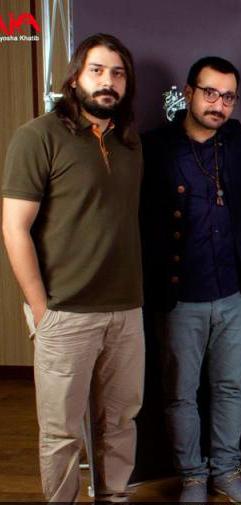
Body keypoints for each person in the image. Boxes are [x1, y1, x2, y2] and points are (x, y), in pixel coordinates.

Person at [2, 33, 144, 503]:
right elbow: (14, 228)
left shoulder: (129, 141)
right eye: (97, 70)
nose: (108, 81)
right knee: (62, 433)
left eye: (117, 73)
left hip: (126, 311)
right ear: (76, 76)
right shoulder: (37, 136)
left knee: (120, 422)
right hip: (65, 312)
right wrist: (41, 310)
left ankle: (114, 497)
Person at [140, 56, 241, 503]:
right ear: (188, 93)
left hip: (234, 293)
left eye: (228, 97)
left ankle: (227, 471)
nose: (218, 104)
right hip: (180, 296)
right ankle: (193, 477)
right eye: (210, 93)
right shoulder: (155, 147)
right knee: (180, 394)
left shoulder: (239, 141)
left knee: (231, 388)